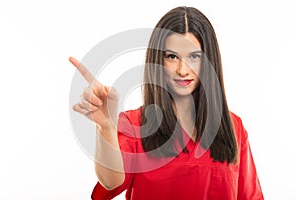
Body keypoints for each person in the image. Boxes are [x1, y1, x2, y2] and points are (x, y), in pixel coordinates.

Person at [70, 6, 264, 200]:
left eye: (194, 56)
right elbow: (111, 181)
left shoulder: (233, 127)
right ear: (158, 61)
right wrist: (105, 128)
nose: (182, 69)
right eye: (172, 57)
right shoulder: (136, 125)